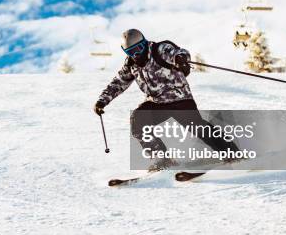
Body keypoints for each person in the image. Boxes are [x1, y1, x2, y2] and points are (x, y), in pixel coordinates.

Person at [93, 28, 239, 169]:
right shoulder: (131, 64)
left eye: (139, 48)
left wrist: (180, 59)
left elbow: (179, 52)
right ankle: (162, 159)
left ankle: (232, 154)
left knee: (198, 127)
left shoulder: (159, 49)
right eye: (130, 52)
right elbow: (118, 83)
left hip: (180, 99)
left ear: (144, 43)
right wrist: (102, 101)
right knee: (138, 120)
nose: (136, 54)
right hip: (157, 103)